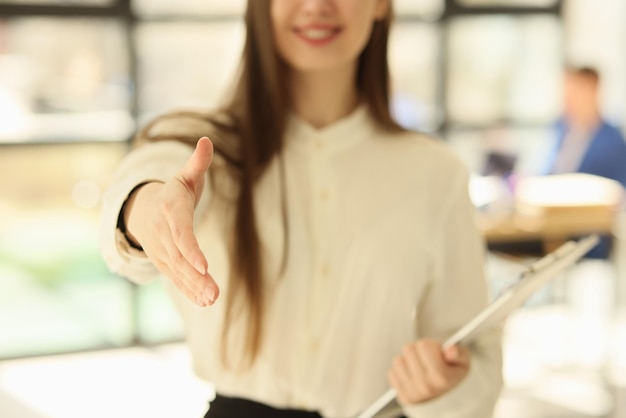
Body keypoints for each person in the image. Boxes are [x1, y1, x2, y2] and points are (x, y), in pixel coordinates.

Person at [99, 1, 503, 417]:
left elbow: (478, 355)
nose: (315, 6)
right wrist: (144, 210)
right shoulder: (200, 148)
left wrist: (449, 385)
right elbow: (145, 186)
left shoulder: (436, 173)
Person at [544, 66, 626, 259]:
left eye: (575, 91)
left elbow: (621, 191)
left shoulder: (612, 140)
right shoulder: (560, 131)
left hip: (589, 233)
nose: (568, 99)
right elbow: (546, 173)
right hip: (550, 225)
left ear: (592, 90)